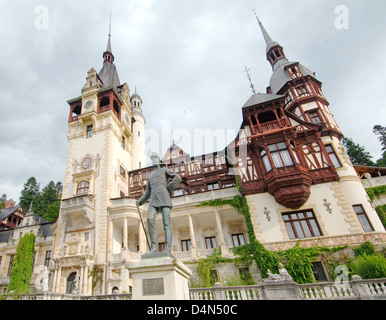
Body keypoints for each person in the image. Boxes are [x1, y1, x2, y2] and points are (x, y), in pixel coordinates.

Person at [136, 152, 181, 256]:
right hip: (153, 200)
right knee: (149, 219)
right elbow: (147, 192)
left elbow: (177, 177)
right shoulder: (150, 176)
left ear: (159, 159)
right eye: (152, 158)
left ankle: (167, 249)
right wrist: (140, 201)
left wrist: (168, 188)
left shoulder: (164, 170)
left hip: (164, 198)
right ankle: (154, 247)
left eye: (156, 158)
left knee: (166, 224)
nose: (154, 160)